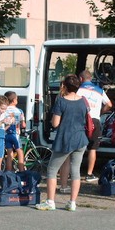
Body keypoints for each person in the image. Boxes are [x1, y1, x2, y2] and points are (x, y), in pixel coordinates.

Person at [35, 74, 89, 212]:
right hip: (81, 138)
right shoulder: (83, 101)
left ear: (64, 86)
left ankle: (50, 201)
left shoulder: (61, 101)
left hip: (65, 139)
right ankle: (72, 202)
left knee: (52, 170)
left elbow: (55, 123)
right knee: (75, 171)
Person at [76, 69, 112, 182]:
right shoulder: (99, 90)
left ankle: (74, 172)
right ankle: (89, 174)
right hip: (95, 120)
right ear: (91, 78)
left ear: (81, 79)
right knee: (93, 148)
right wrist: (100, 112)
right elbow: (109, 104)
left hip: (82, 120)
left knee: (78, 147)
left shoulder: (79, 90)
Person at [4, 91, 26, 172]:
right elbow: (23, 125)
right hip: (15, 134)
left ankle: (9, 172)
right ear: (14, 101)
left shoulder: (4, 110)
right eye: (16, 99)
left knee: (9, 153)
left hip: (6, 134)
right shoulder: (19, 111)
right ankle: (21, 171)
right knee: (20, 152)